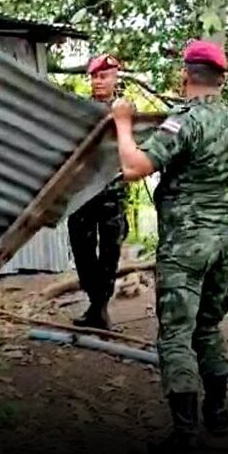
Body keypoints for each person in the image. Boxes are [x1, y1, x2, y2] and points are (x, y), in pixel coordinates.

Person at [109, 40, 228, 454]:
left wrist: (122, 122)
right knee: (208, 327)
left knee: (176, 335)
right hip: (222, 238)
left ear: (185, 75)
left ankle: (185, 434)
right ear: (222, 78)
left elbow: (134, 168)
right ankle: (218, 415)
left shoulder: (183, 122)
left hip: (186, 243)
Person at [67, 53, 129, 330]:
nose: (97, 81)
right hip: (83, 193)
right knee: (82, 249)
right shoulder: (83, 111)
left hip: (112, 193)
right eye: (93, 76)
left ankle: (100, 306)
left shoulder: (127, 112)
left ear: (116, 77)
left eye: (103, 76)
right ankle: (96, 301)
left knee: (109, 252)